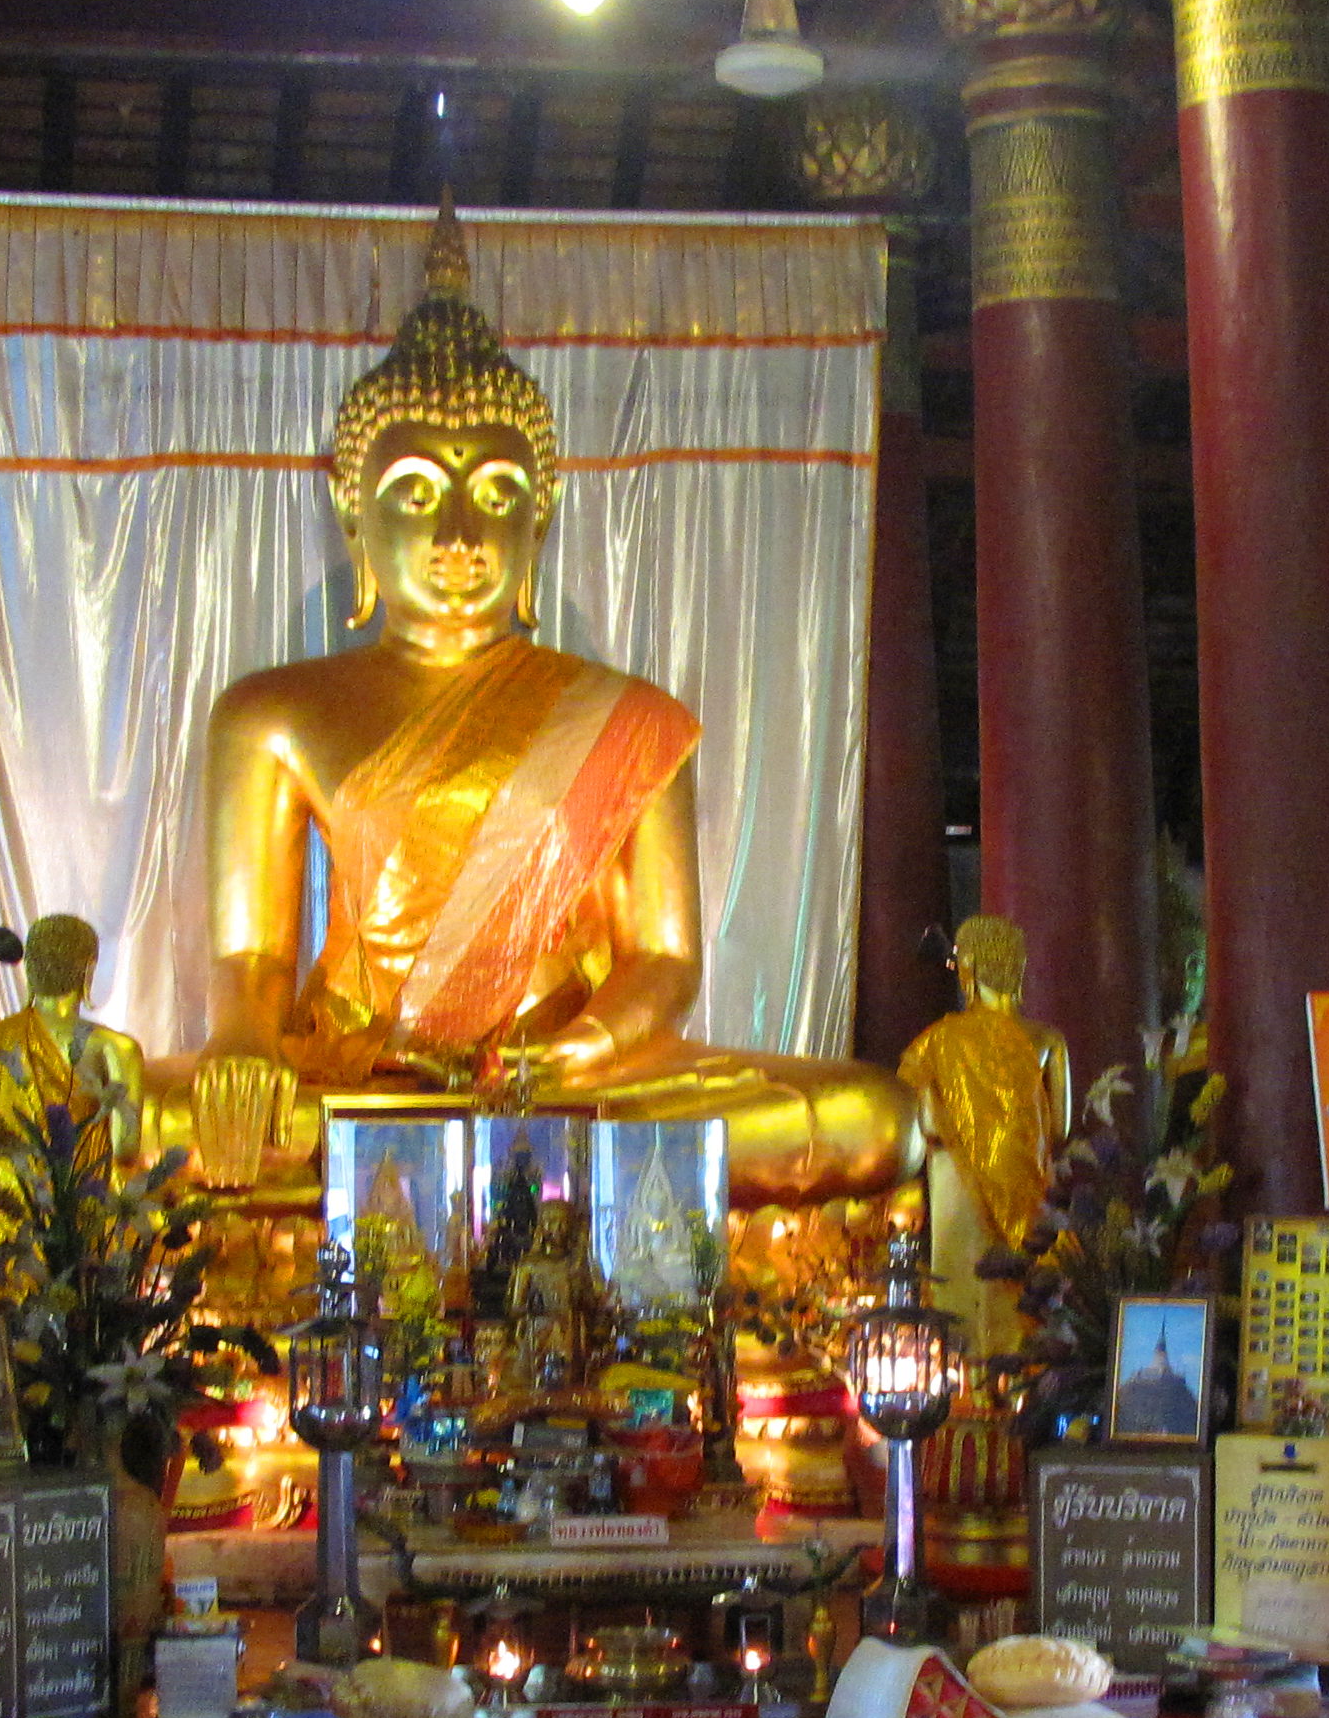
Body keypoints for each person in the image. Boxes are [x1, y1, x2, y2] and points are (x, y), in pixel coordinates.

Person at [142, 202, 918, 1214]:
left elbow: (664, 959)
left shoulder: (628, 718)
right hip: (354, 1083)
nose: (462, 531)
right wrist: (243, 1053)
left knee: (870, 1115)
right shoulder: (272, 712)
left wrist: (574, 1052)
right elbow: (252, 956)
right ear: (353, 514)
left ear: (540, 516)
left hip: (576, 1084)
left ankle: (468, 1182)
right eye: (417, 494)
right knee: (116, 1122)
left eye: (499, 492)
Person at [899, 914, 1070, 1352]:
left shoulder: (938, 1041)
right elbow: (1059, 1128)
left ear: (970, 967)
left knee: (963, 1281)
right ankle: (1022, 1374)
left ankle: (966, 1380)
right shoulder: (1047, 1040)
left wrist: (969, 1134)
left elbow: (927, 1125)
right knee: (1020, 1287)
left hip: (956, 1180)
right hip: (1027, 1180)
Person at [0, 913, 148, 1263]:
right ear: (87, 970)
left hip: (8, 1222)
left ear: (30, 970)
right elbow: (125, 1149)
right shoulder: (115, 1048)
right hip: (82, 1218)